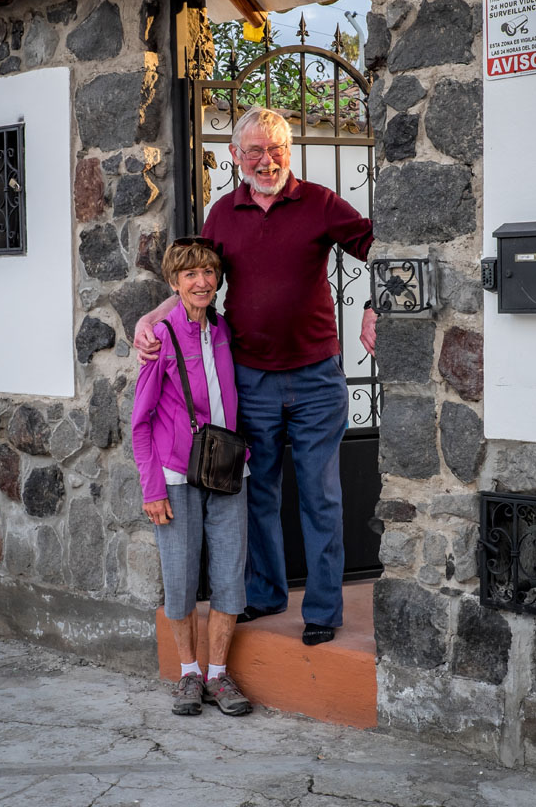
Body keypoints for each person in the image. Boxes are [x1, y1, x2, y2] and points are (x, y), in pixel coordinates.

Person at [135, 107, 377, 647]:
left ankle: (322, 610)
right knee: (257, 494)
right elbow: (192, 280)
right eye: (254, 152)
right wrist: (153, 317)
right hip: (250, 381)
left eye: (276, 150)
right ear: (234, 157)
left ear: (288, 152)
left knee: (321, 497)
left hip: (316, 378)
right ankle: (265, 593)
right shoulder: (223, 213)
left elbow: (376, 245)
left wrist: (375, 306)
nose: (266, 162)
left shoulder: (319, 202)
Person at [131, 238, 252, 717]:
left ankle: (218, 677)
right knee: (180, 580)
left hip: (226, 472)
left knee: (229, 577)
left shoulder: (224, 331)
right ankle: (188, 674)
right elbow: (141, 423)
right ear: (174, 283)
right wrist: (152, 487)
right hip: (175, 477)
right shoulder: (159, 337)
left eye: (208, 272)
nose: (201, 281)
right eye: (190, 275)